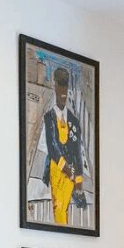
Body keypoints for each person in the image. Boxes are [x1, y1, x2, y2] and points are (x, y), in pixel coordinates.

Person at [42, 67, 86, 226]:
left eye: (65, 88)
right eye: (60, 87)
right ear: (55, 87)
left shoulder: (73, 120)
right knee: (58, 207)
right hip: (56, 169)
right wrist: (65, 167)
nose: (63, 93)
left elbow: (77, 153)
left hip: (71, 174)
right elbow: (52, 146)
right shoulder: (49, 117)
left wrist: (79, 180)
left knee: (64, 208)